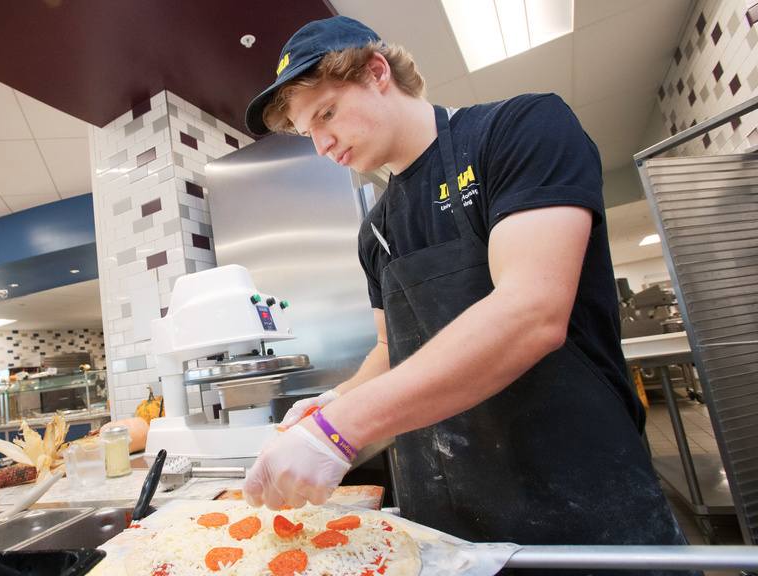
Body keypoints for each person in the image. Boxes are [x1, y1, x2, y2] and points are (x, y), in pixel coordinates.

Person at [240, 15, 693, 562]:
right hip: (446, 522)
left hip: (583, 502)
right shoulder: (376, 230)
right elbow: (391, 350)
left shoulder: (519, 130)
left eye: (327, 113)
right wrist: (332, 402)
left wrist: (343, 428)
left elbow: (532, 310)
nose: (321, 143)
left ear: (377, 72)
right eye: (307, 129)